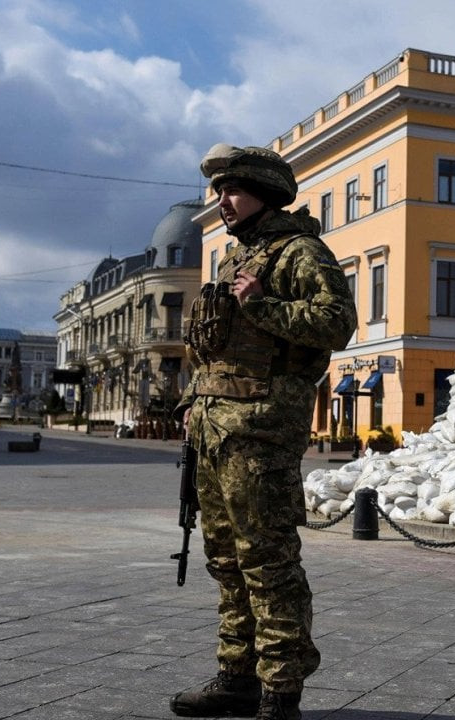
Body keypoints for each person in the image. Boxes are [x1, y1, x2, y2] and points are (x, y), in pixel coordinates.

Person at [170, 143, 357, 720]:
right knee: (225, 560)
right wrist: (189, 403)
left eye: (232, 191)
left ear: (264, 193)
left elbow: (338, 322)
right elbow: (214, 353)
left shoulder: (299, 252)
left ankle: (281, 692)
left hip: (260, 436)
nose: (222, 202)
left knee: (267, 561)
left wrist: (264, 305)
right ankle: (237, 677)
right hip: (214, 434)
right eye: (218, 192)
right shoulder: (235, 259)